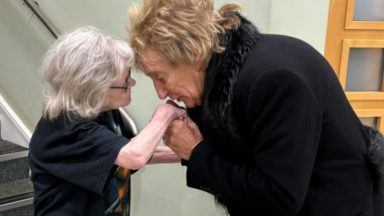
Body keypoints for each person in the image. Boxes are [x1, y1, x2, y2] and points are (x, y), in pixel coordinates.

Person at [128, 0, 384, 215]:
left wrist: (196, 153)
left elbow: (279, 198)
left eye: (161, 77)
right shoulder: (223, 80)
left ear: (193, 54)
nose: (160, 92)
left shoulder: (275, 81)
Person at [28, 26, 185, 216]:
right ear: (96, 89)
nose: (132, 84)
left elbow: (127, 153)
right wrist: (165, 113)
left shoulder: (102, 110)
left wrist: (193, 152)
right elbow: (135, 156)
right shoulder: (65, 127)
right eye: (126, 82)